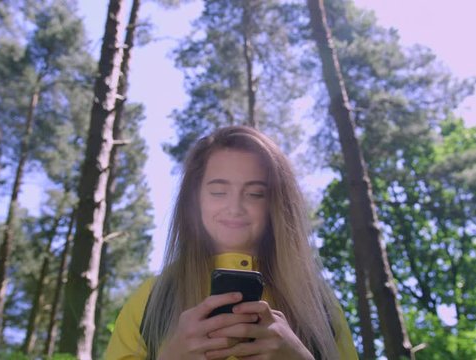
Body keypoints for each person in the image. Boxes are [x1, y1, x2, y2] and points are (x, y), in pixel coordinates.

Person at [105, 126, 357, 359]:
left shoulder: (318, 306)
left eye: (255, 194)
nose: (234, 207)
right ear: (195, 198)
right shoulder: (151, 300)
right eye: (218, 191)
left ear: (276, 205)